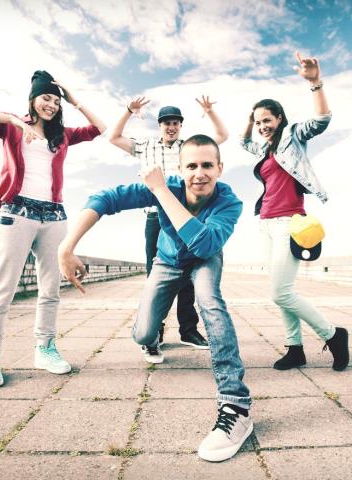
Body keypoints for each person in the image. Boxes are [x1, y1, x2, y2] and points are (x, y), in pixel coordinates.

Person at [58, 134, 253, 462]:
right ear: (181, 169)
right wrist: (67, 247)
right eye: (191, 166)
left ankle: (236, 404)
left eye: (207, 165)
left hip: (205, 258)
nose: (199, 173)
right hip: (167, 261)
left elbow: (205, 244)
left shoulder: (228, 202)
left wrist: (161, 191)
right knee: (144, 333)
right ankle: (150, 336)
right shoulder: (170, 186)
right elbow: (105, 198)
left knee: (209, 299)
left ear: (220, 169)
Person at [0, 70, 106, 388]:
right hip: (16, 211)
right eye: (46, 98)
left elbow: (99, 129)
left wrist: (74, 99)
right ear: (33, 99)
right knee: (3, 288)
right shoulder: (12, 126)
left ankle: (45, 348)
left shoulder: (61, 136)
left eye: (56, 101)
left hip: (54, 215)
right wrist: (12, 120)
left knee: (50, 290)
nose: (51, 105)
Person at [240, 52, 350, 371]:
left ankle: (333, 335)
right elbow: (243, 142)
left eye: (267, 120)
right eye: (259, 122)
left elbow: (321, 121)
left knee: (280, 292)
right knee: (282, 290)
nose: (262, 126)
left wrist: (315, 83)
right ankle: (294, 348)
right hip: (265, 223)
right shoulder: (264, 148)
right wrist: (249, 119)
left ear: (279, 119)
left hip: (290, 222)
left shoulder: (292, 137)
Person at [108, 95, 230, 350]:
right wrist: (129, 111)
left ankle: (188, 330)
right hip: (156, 216)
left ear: (180, 125)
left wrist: (209, 111)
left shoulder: (189, 148)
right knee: (156, 273)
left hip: (188, 217)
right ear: (160, 125)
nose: (171, 127)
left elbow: (222, 136)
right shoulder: (146, 146)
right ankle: (155, 331)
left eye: (175, 123)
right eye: (167, 123)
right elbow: (114, 138)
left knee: (189, 273)